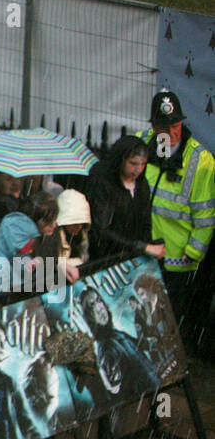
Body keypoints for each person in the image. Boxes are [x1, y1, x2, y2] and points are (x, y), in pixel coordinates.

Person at [137, 90, 214, 342]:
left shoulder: (201, 161)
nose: (170, 133)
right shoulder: (141, 145)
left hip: (178, 261)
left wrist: (192, 253)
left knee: (170, 324)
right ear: (152, 126)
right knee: (142, 318)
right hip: (144, 253)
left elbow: (206, 215)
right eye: (163, 127)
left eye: (176, 126)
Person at [86, 134, 167, 263]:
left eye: (143, 164)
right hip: (105, 258)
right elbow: (102, 230)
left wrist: (146, 246)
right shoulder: (103, 183)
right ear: (121, 160)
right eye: (133, 163)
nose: (138, 170)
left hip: (132, 257)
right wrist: (142, 247)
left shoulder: (141, 184)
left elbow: (145, 221)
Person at [79, 284, 161, 401]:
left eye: (99, 301)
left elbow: (139, 344)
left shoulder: (116, 334)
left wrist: (155, 342)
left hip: (156, 388)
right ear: (89, 316)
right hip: (149, 398)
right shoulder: (106, 348)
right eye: (92, 305)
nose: (99, 307)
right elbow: (121, 392)